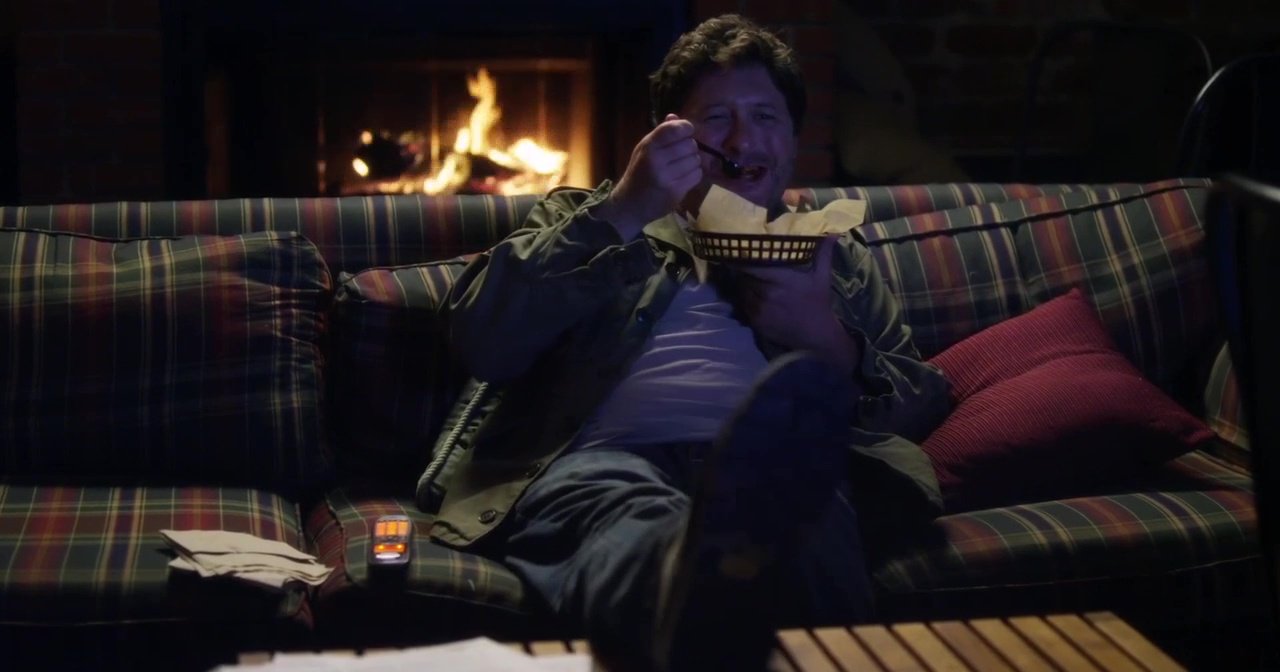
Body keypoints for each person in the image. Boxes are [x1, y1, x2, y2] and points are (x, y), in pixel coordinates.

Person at [419, 13, 951, 671]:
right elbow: (481, 338)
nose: (742, 139)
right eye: (717, 118)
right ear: (668, 135)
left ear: (791, 138)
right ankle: (695, 580)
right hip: (610, 463)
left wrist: (823, 337)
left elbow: (918, 407)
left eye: (765, 116)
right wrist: (625, 209)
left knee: (806, 522)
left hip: (778, 470)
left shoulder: (834, 256)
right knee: (637, 522)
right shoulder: (591, 218)